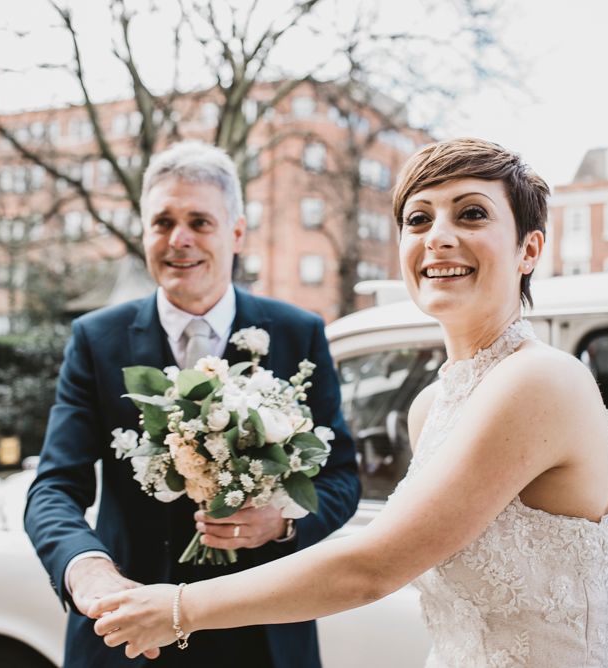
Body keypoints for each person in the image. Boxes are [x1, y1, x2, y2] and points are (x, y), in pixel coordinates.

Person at [87, 138, 608, 667]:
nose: (438, 237)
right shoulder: (430, 405)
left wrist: (178, 607)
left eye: (471, 215)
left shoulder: (542, 379)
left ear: (529, 249)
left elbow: (375, 565)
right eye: (418, 220)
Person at [24, 140, 361, 668]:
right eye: (162, 222)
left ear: (237, 232)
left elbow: (341, 476)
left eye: (199, 222)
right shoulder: (96, 340)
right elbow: (53, 486)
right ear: (144, 233)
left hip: (262, 636)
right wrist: (86, 567)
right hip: (130, 632)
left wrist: (282, 520)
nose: (179, 240)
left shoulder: (300, 333)